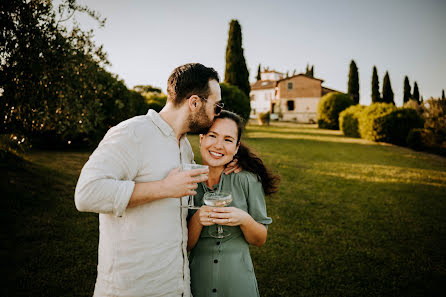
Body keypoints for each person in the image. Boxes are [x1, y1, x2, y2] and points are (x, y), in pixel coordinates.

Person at [75, 63, 239, 297]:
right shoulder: (132, 133)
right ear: (194, 103)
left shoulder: (184, 147)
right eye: (217, 106)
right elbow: (87, 193)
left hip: (176, 287)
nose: (218, 112)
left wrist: (229, 163)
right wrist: (163, 188)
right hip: (132, 289)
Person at [187, 110, 280, 297]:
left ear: (237, 148)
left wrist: (244, 219)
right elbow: (186, 245)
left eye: (228, 140)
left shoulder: (247, 180)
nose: (218, 145)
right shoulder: (188, 182)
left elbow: (260, 239)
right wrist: (197, 219)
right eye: (213, 136)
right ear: (201, 139)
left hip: (238, 285)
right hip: (197, 285)